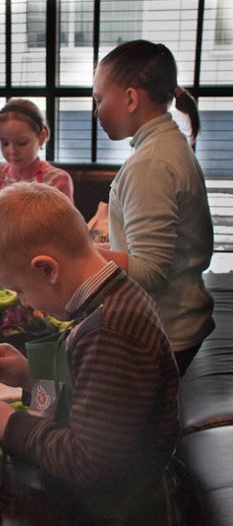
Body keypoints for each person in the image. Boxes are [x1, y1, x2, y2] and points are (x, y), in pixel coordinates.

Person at [0, 182, 180, 525]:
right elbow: (92, 394)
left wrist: (9, 426)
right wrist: (29, 376)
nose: (24, 302)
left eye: (20, 290)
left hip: (119, 513)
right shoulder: (107, 297)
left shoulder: (112, 332)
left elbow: (91, 463)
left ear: (47, 269)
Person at [93, 40, 214, 375]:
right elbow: (142, 252)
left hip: (167, 336)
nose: (96, 111)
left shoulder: (151, 164)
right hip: (179, 325)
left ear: (131, 99)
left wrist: (79, 254)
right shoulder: (168, 146)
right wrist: (97, 249)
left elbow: (149, 272)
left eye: (99, 99)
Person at [0, 98, 73, 245]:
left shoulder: (57, 180)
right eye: (5, 143)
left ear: (41, 138)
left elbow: (65, 233)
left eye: (22, 143)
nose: (12, 151)